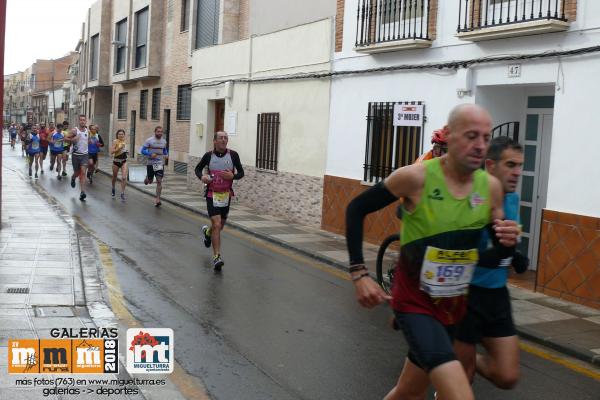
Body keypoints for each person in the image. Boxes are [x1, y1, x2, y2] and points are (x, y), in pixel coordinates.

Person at [345, 104, 520, 400]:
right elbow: (356, 208)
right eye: (471, 136)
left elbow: (492, 250)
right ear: (449, 136)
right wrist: (359, 273)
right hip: (415, 304)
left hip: (453, 307)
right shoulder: (415, 177)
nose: (480, 146)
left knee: (409, 391)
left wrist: (507, 239)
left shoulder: (490, 187)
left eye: (486, 138)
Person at [454, 136, 527, 391]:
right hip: (465, 295)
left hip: (496, 296)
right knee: (462, 382)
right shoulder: (470, 196)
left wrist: (514, 255)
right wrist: (499, 256)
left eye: (520, 165)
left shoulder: (513, 199)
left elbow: (504, 241)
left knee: (507, 376)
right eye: (510, 165)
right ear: (490, 165)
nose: (517, 172)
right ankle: (456, 362)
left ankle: (456, 357)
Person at [194, 131, 245, 271]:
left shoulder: (233, 155)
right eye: (221, 138)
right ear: (214, 141)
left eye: (226, 138)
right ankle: (217, 257)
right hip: (212, 194)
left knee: (219, 227)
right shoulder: (208, 156)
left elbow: (241, 173)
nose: (224, 140)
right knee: (216, 224)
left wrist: (232, 176)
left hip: (226, 195)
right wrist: (202, 177)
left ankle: (207, 233)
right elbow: (197, 169)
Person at [141, 126, 168, 207]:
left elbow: (164, 150)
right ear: (155, 132)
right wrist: (150, 154)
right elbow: (142, 150)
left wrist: (166, 154)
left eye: (161, 132)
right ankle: (147, 178)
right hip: (150, 162)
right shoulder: (149, 140)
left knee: (159, 181)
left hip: (159, 163)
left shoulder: (164, 141)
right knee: (149, 181)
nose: (160, 133)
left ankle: (158, 199)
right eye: (158, 131)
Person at [65, 115, 90, 201]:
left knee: (83, 173)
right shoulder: (75, 130)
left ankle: (82, 192)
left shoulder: (87, 131)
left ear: (86, 121)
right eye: (81, 120)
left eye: (84, 120)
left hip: (85, 155)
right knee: (77, 172)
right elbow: (65, 138)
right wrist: (74, 139)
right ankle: (73, 177)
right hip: (76, 155)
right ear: (79, 121)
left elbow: (87, 140)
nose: (82, 121)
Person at [110, 129, 129, 201]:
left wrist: (126, 152)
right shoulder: (115, 141)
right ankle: (113, 188)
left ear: (124, 135)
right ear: (117, 135)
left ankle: (122, 193)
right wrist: (119, 148)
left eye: (122, 134)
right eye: (119, 134)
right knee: (114, 176)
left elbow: (124, 151)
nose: (121, 135)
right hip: (116, 161)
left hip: (124, 161)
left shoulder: (124, 142)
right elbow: (111, 152)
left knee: (124, 177)